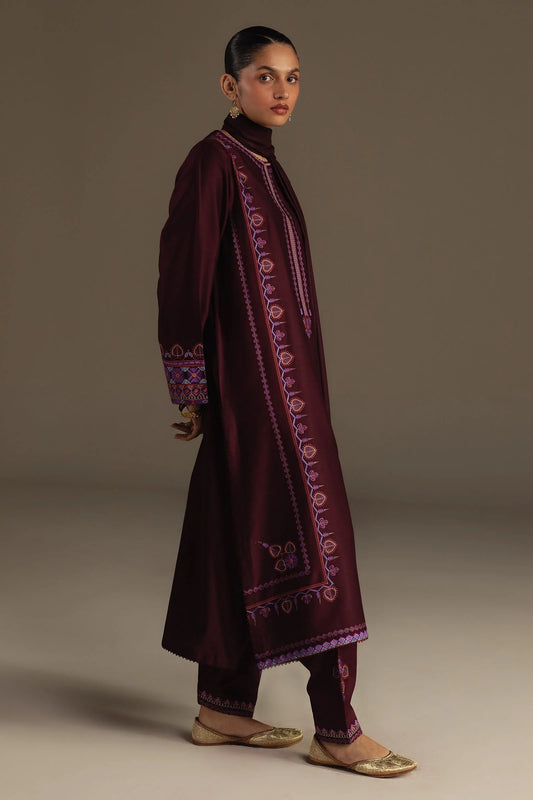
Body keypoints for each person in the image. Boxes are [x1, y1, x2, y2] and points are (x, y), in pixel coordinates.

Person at [156, 25, 417, 777]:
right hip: (257, 395)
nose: (281, 90)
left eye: (293, 77)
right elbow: (183, 275)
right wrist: (191, 387)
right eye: (265, 76)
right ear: (229, 85)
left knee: (232, 528)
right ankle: (336, 727)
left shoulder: (264, 166)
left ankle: (220, 707)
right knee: (315, 532)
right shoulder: (214, 161)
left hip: (289, 386)